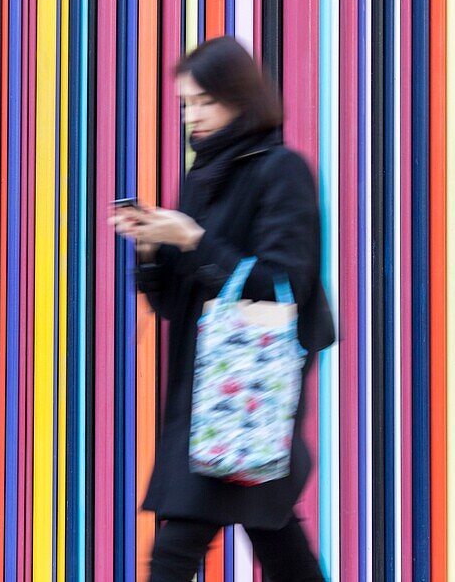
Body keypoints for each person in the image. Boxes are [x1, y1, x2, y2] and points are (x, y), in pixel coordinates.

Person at [109, 36, 334, 581]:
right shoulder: (205, 176)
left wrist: (190, 238)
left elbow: (284, 282)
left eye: (205, 100)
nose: (193, 116)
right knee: (280, 547)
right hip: (206, 395)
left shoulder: (281, 170)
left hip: (242, 394)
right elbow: (176, 303)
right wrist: (151, 250)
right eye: (186, 104)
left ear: (241, 97)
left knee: (175, 553)